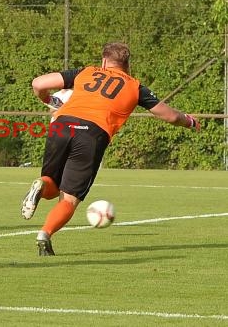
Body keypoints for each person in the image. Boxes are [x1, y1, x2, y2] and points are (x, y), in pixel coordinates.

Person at [21, 42, 200, 256]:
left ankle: (40, 186)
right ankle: (44, 234)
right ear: (127, 64)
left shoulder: (86, 72)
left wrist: (49, 100)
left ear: (104, 61)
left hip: (61, 125)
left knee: (50, 183)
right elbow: (170, 116)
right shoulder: (135, 86)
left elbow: (39, 83)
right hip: (91, 133)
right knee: (68, 198)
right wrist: (189, 121)